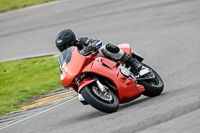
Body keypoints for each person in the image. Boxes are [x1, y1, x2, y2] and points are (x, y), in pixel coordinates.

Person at [55, 29, 142, 72]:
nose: (64, 49)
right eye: (61, 47)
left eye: (65, 46)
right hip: (88, 69)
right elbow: (64, 69)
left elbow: (97, 42)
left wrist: (90, 48)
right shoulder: (67, 57)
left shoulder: (81, 41)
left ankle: (133, 62)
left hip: (100, 59)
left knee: (107, 47)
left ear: (71, 41)